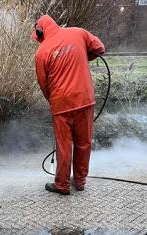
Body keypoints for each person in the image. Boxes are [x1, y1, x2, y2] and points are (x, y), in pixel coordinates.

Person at [32, 15, 105, 195]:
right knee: (84, 142)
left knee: (64, 145)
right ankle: (80, 181)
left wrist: (54, 101)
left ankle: (62, 185)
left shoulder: (41, 54)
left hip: (61, 104)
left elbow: (44, 84)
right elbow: (99, 48)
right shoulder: (78, 33)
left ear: (40, 31)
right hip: (85, 98)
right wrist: (80, 57)